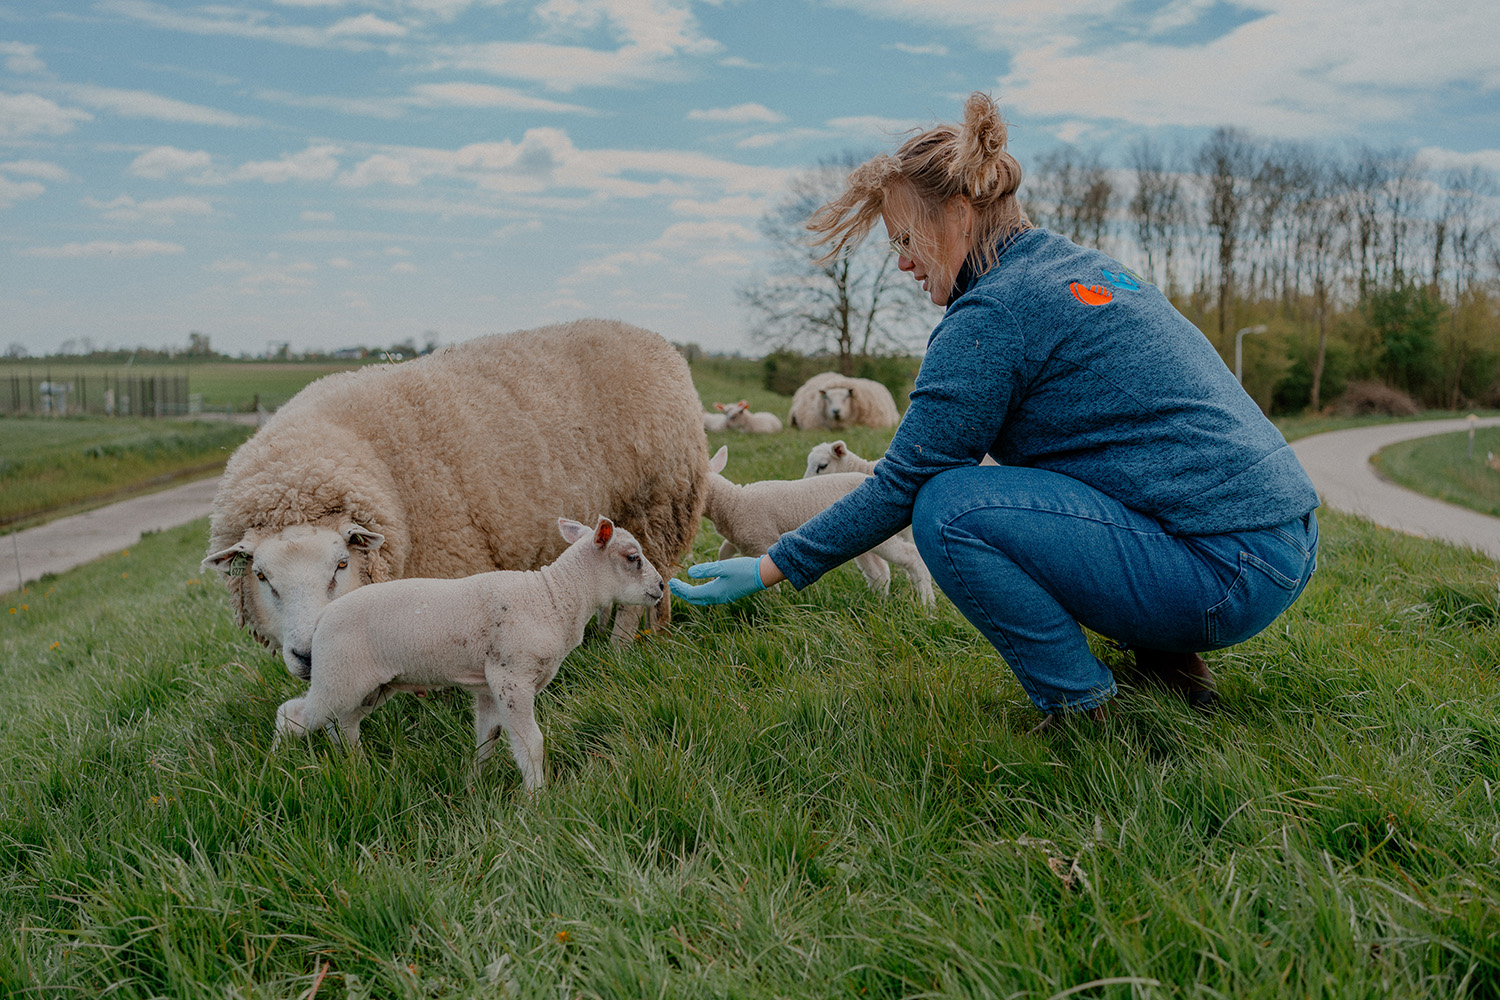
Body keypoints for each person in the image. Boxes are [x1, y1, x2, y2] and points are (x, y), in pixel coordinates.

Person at [670, 92, 1320, 728]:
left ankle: (1084, 710)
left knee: (951, 510)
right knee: (1050, 482)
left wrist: (769, 565)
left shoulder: (993, 312)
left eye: (904, 239)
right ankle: (1171, 673)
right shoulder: (1073, 268)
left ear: (957, 214)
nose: (901, 264)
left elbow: (904, 482)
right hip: (1279, 539)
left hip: (1224, 566)